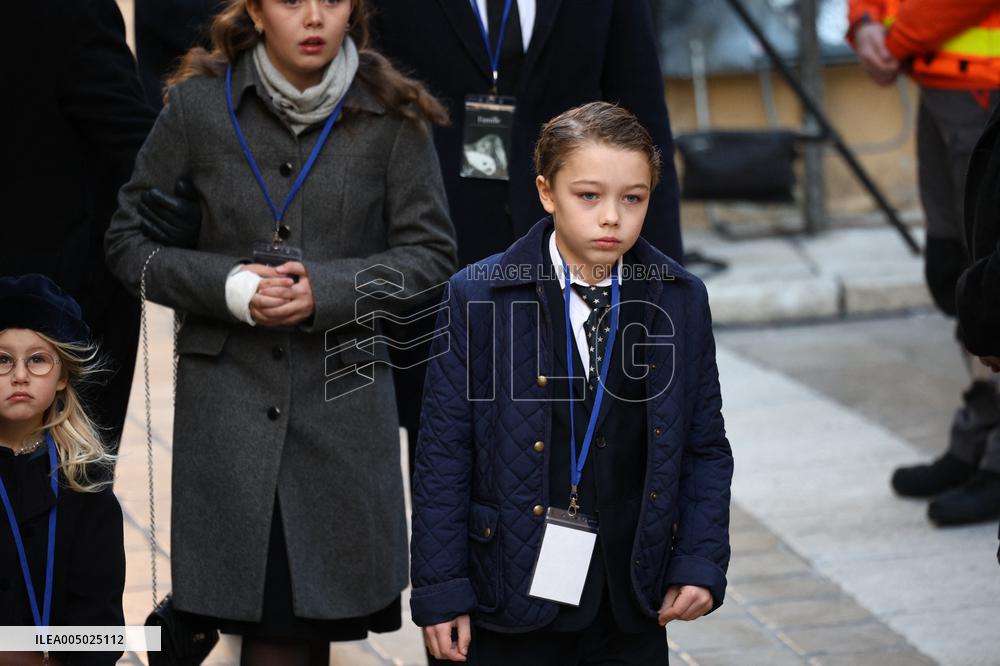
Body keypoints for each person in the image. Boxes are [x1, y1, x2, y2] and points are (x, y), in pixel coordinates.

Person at [104, 1, 457, 664]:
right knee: (268, 625)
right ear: (258, 11)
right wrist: (230, 288)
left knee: (298, 627)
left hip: (341, 413)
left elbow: (430, 257)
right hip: (228, 416)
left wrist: (328, 291)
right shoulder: (198, 107)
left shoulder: (392, 112)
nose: (314, 15)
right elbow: (128, 245)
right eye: (293, 0)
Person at [409, 102, 732, 665]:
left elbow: (705, 447)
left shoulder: (679, 299)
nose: (612, 217)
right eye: (589, 196)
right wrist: (440, 592)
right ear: (546, 192)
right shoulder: (478, 297)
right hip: (511, 589)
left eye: (633, 198)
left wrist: (700, 561)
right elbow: (442, 453)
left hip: (632, 595)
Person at [368, 0, 685, 502]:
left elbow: (642, 114)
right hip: (438, 260)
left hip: (577, 260)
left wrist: (662, 294)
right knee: (453, 479)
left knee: (581, 471)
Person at [847, 0, 1000, 525]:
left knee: (991, 277)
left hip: (985, 82)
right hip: (935, 81)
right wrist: (863, 23)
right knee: (953, 273)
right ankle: (977, 438)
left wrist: (891, 41)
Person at [0, 0, 157, 457]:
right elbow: (138, 150)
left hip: (52, 318)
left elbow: (133, 147)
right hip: (53, 309)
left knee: (62, 504)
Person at [0, 274, 125, 666]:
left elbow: (100, 625)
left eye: (37, 359)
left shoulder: (85, 485)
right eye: (2, 359)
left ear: (62, 376)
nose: (19, 374)